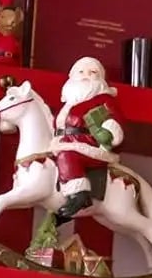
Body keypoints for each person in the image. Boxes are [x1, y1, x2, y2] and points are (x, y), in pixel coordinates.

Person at [51, 57, 123, 225]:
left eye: (92, 72)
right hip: (62, 140)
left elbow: (114, 120)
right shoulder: (69, 101)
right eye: (81, 72)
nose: (86, 76)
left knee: (66, 154)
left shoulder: (104, 100)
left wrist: (110, 130)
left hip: (88, 144)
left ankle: (79, 195)